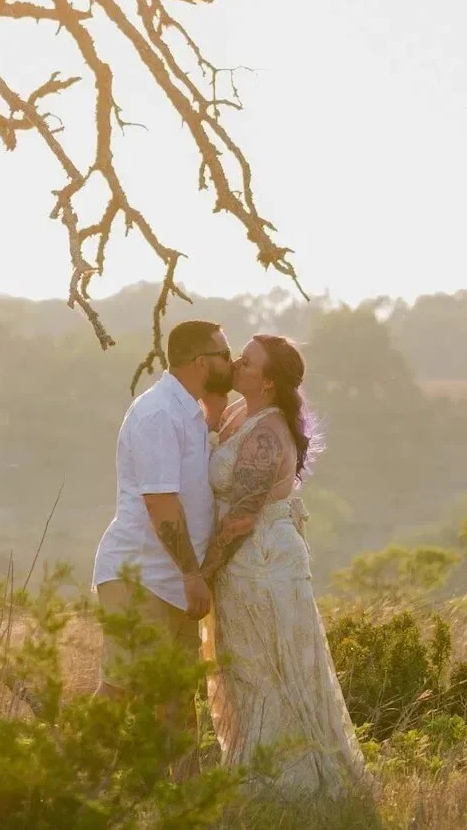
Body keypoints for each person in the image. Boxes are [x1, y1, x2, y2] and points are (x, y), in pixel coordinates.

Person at [200, 333, 367, 800]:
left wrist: (200, 574)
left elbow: (242, 515)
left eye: (247, 363)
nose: (236, 364)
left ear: (268, 384)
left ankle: (285, 787)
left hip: (262, 562)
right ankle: (255, 774)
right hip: (246, 560)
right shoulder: (238, 413)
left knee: (266, 668)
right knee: (246, 669)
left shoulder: (267, 434)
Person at [91, 319, 233, 737]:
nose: (234, 360)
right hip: (141, 577)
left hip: (172, 577)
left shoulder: (188, 409)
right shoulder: (158, 413)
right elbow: (161, 504)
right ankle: (69, 783)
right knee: (121, 687)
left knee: (175, 693)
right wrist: (192, 574)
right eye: (226, 355)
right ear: (202, 362)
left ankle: (183, 793)